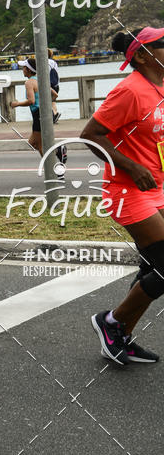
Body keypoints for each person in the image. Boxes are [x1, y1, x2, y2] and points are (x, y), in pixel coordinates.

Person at [81, 27, 164, 365]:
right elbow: (91, 136)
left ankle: (121, 336)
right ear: (144, 55)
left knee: (153, 269)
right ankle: (110, 322)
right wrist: (131, 167)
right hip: (127, 191)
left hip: (156, 188)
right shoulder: (130, 90)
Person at [11, 58, 61, 158]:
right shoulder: (41, 80)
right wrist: (47, 104)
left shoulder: (29, 83)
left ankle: (53, 164)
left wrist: (17, 104)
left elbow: (31, 101)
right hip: (46, 112)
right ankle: (56, 155)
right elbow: (55, 95)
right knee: (33, 143)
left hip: (38, 114)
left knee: (37, 144)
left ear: (28, 70)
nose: (22, 70)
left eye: (24, 68)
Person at [48, 49, 61, 122]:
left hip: (49, 85)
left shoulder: (44, 62)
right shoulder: (54, 62)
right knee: (53, 100)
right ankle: (55, 113)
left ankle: (53, 114)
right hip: (56, 85)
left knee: (47, 101)